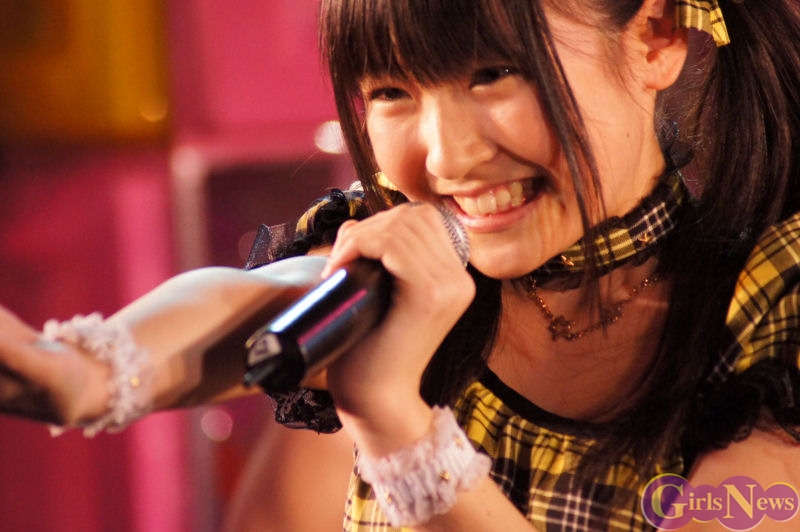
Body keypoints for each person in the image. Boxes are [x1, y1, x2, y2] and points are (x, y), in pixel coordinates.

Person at [2, 0, 800, 530]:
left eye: (493, 75)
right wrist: (78, 371)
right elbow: (267, 295)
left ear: (656, 36)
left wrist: (394, 422)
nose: (445, 157)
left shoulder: (771, 314)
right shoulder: (414, 272)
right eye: (390, 92)